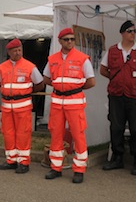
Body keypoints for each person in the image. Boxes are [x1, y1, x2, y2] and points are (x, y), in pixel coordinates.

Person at [100, 20, 136, 176]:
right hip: (116, 95)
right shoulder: (112, 51)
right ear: (122, 33)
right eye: (129, 31)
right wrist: (117, 80)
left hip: (135, 97)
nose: (133, 34)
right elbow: (103, 70)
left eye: (134, 31)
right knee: (116, 127)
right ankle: (117, 158)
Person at [43, 28, 96, 184]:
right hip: (57, 103)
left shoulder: (82, 59)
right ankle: (56, 167)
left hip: (75, 103)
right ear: (60, 41)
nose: (70, 42)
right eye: (66, 39)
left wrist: (75, 89)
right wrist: (60, 87)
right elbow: (46, 78)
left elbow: (91, 81)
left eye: (72, 39)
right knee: (56, 135)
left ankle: (79, 170)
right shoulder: (52, 59)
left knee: (78, 136)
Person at [0, 38, 44, 174]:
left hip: (23, 106)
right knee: (8, 133)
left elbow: (40, 84)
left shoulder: (30, 67)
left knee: (23, 134)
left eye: (19, 50)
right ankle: (11, 160)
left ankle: (23, 162)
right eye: (15, 50)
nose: (18, 52)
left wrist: (25, 92)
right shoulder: (2, 67)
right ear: (9, 52)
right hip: (6, 106)